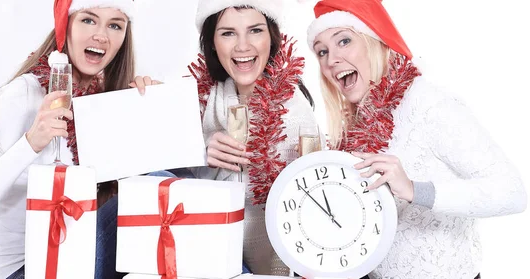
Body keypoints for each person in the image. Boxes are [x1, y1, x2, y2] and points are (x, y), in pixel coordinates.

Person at [307, 0, 527, 278]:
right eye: (322, 51)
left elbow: (512, 193)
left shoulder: (428, 103)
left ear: (374, 40)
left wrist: (413, 189)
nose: (331, 60)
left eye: (344, 41)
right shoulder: (355, 119)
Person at [0, 1, 168, 278]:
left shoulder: (102, 105)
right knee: (157, 185)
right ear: (65, 26)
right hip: (23, 270)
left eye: (115, 25)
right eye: (88, 20)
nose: (101, 35)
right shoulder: (21, 95)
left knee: (163, 186)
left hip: (74, 255)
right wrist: (30, 143)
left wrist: (157, 117)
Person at [188, 0, 321, 276]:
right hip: (208, 251)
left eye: (255, 30)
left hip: (272, 264)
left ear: (272, 39)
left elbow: (314, 204)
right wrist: (197, 153)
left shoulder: (296, 111)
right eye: (228, 33)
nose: (242, 46)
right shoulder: (197, 103)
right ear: (212, 42)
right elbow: (169, 185)